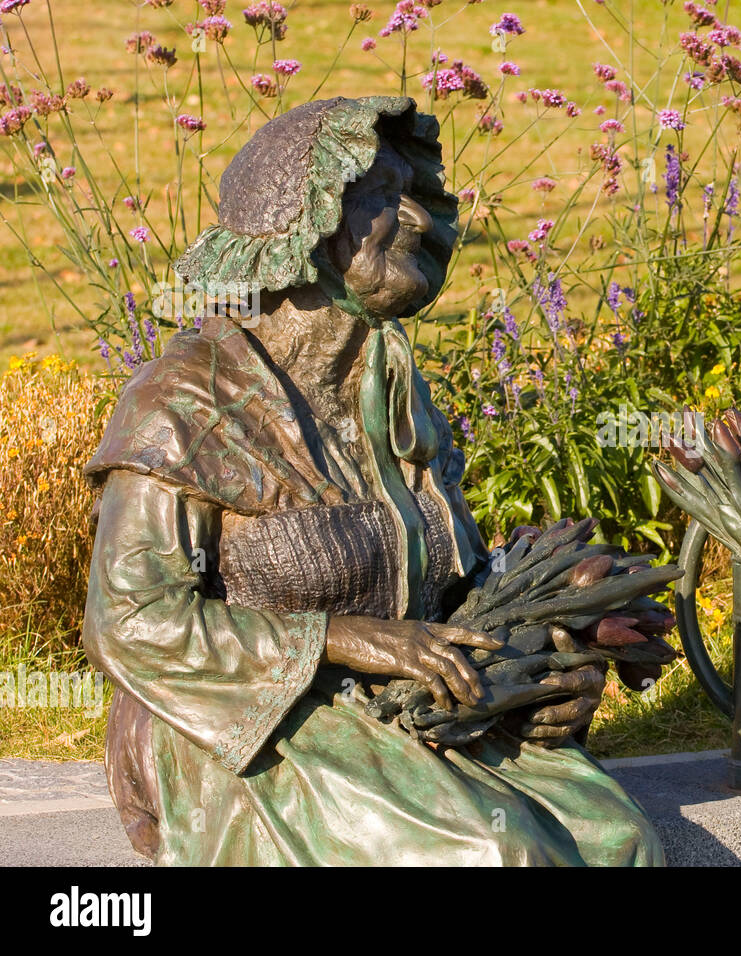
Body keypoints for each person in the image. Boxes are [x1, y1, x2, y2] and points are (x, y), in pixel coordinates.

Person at [81, 95, 663, 866]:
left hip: (403, 712)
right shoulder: (184, 400)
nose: (420, 220)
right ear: (307, 222)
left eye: (416, 194)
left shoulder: (394, 392)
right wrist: (346, 640)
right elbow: (130, 622)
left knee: (616, 836)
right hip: (238, 726)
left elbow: (452, 595)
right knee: (491, 854)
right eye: (383, 196)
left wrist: (549, 657)